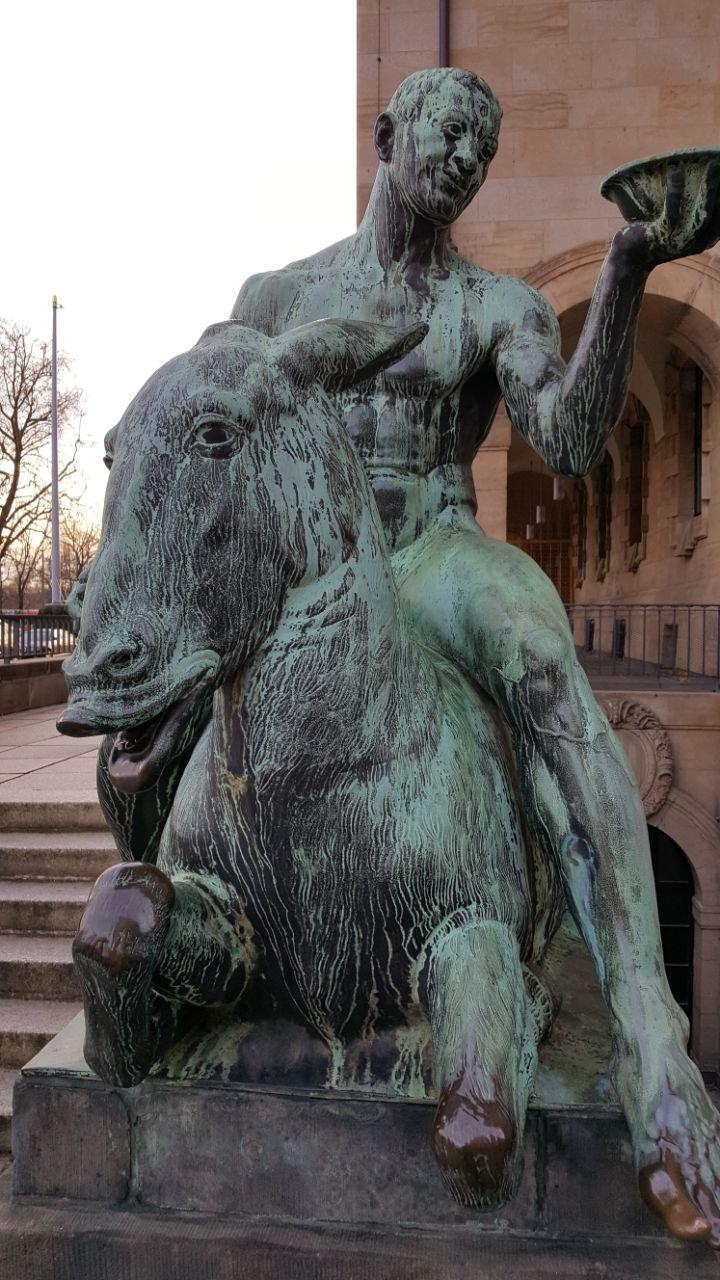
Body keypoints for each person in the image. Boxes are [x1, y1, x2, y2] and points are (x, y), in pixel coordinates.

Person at [231, 67, 720, 1244]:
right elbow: (214, 432)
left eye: (484, 149)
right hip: (319, 558)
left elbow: (564, 432)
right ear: (390, 133)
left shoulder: (494, 303)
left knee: (542, 655)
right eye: (448, 131)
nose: (464, 157)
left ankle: (650, 1018)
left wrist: (623, 269)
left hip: (441, 543)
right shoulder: (278, 292)